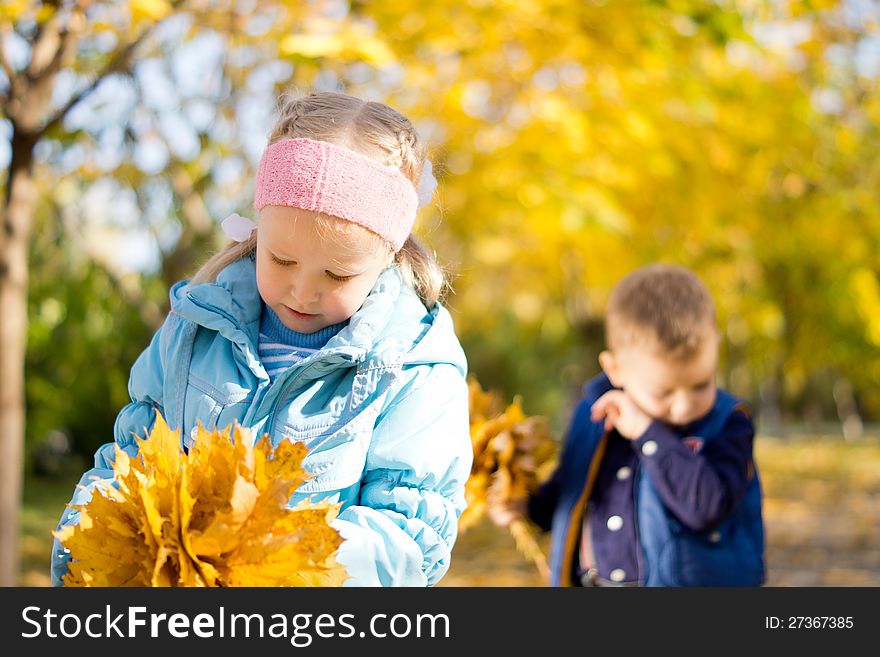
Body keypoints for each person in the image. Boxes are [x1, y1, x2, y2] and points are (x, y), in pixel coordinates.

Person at [51, 91, 472, 587]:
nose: (302, 290)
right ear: (257, 231)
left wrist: (265, 554)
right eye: (282, 260)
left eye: (337, 275)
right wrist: (80, 551)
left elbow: (409, 537)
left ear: (386, 259)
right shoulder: (195, 330)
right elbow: (128, 463)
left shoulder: (414, 369)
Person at [489, 263, 765, 586]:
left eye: (702, 384)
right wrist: (525, 506)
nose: (685, 405)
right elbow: (570, 493)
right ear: (615, 370)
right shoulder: (593, 414)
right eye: (663, 392)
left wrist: (648, 434)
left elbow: (708, 506)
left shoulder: (729, 423)